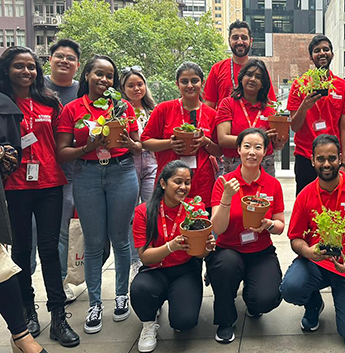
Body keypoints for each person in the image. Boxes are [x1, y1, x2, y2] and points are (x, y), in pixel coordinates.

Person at [56, 55, 141, 334]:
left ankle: (121, 295)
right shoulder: (72, 109)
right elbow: (62, 153)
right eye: (99, 74)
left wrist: (129, 142)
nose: (104, 80)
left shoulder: (122, 106)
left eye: (109, 76)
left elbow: (138, 147)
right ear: (87, 75)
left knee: (120, 238)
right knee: (93, 242)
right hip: (87, 174)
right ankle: (95, 303)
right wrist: (88, 147)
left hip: (122, 172)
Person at [0, 47, 79, 347]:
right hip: (16, 185)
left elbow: (61, 140)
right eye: (19, 66)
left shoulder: (49, 101)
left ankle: (58, 317)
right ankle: (27, 312)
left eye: (31, 67)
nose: (26, 72)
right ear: (7, 70)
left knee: (49, 251)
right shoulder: (3, 103)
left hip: (49, 183)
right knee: (21, 252)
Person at [281, 134, 345, 344]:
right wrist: (308, 252)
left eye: (332, 158)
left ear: (340, 158)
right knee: (290, 288)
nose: (326, 164)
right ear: (312, 160)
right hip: (316, 264)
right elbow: (295, 239)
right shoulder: (305, 195)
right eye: (321, 159)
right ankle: (313, 303)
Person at [206, 128, 285, 344]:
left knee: (265, 299)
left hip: (260, 252)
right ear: (238, 149)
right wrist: (226, 199)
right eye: (247, 146)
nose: (252, 152)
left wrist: (268, 224)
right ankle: (225, 319)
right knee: (225, 266)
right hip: (228, 250)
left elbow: (280, 226)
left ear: (265, 152)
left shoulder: (273, 184)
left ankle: (252, 299)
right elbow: (218, 228)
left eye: (258, 147)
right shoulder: (224, 183)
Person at [131, 160, 215, 353]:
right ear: (163, 183)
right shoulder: (144, 211)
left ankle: (174, 298)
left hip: (185, 270)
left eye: (187, 182)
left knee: (184, 322)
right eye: (177, 182)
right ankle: (149, 323)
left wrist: (207, 248)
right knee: (140, 289)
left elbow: (200, 253)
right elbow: (145, 257)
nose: (183, 187)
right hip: (155, 269)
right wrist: (171, 246)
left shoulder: (195, 209)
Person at [0, 90, 48, 353]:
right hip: (19, 191)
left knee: (2, 265)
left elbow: (11, 155)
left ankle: (21, 333)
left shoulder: (3, 105)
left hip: (37, 183)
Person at [141, 62, 221, 213]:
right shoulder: (163, 109)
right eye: (184, 81)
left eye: (194, 81)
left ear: (202, 83)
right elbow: (145, 141)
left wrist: (206, 142)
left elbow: (219, 151)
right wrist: (169, 144)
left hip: (202, 183)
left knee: (200, 229)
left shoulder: (212, 114)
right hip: (170, 182)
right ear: (177, 84)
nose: (190, 85)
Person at [288, 34, 345, 194]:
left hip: (332, 158)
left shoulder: (343, 86)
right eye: (317, 50)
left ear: (332, 54)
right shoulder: (299, 85)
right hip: (305, 156)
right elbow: (294, 127)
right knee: (306, 202)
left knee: (335, 201)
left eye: (326, 49)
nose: (322, 53)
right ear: (311, 57)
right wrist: (304, 106)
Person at [45, 39, 82, 302]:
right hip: (36, 169)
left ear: (78, 65)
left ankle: (61, 280)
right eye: (59, 56)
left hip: (71, 170)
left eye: (70, 58)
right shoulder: (37, 86)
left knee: (64, 228)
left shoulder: (81, 90)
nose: (64, 61)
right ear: (50, 59)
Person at [216, 59, 286, 176]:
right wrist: (260, 139)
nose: (253, 79)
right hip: (235, 164)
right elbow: (223, 139)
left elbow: (276, 146)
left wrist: (279, 141)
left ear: (263, 83)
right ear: (241, 78)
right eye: (249, 74)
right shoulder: (227, 104)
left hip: (264, 166)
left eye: (258, 77)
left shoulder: (271, 109)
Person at [120, 66, 158, 280]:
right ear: (123, 89)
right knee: (131, 214)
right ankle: (135, 259)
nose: (136, 89)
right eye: (131, 85)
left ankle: (152, 253)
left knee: (150, 210)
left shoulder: (153, 110)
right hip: (129, 164)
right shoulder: (119, 111)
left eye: (140, 84)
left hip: (151, 163)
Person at [203, 20, 276, 109]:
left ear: (251, 41)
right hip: (224, 121)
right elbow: (209, 106)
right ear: (229, 41)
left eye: (244, 38)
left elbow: (271, 105)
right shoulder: (217, 69)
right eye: (235, 37)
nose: (240, 42)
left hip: (253, 122)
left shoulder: (259, 70)